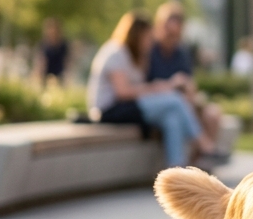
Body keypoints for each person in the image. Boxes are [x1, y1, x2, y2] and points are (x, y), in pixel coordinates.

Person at [87, 10, 215, 168]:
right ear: (137, 35)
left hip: (128, 108)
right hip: (109, 110)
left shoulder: (137, 56)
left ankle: (176, 171)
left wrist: (158, 87)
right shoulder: (116, 52)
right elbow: (123, 92)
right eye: (147, 37)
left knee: (172, 118)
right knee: (175, 100)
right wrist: (156, 88)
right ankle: (205, 145)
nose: (151, 41)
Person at [148, 2, 223, 150]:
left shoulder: (181, 52)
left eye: (177, 34)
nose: (172, 38)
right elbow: (145, 85)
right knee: (175, 117)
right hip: (160, 101)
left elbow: (190, 82)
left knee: (212, 114)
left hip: (184, 100)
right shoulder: (149, 50)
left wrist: (188, 90)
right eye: (169, 33)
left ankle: (202, 158)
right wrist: (171, 84)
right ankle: (206, 147)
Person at [37, 17, 69, 83]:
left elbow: (66, 60)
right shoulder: (44, 44)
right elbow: (42, 60)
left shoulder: (63, 45)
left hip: (60, 71)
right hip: (46, 70)